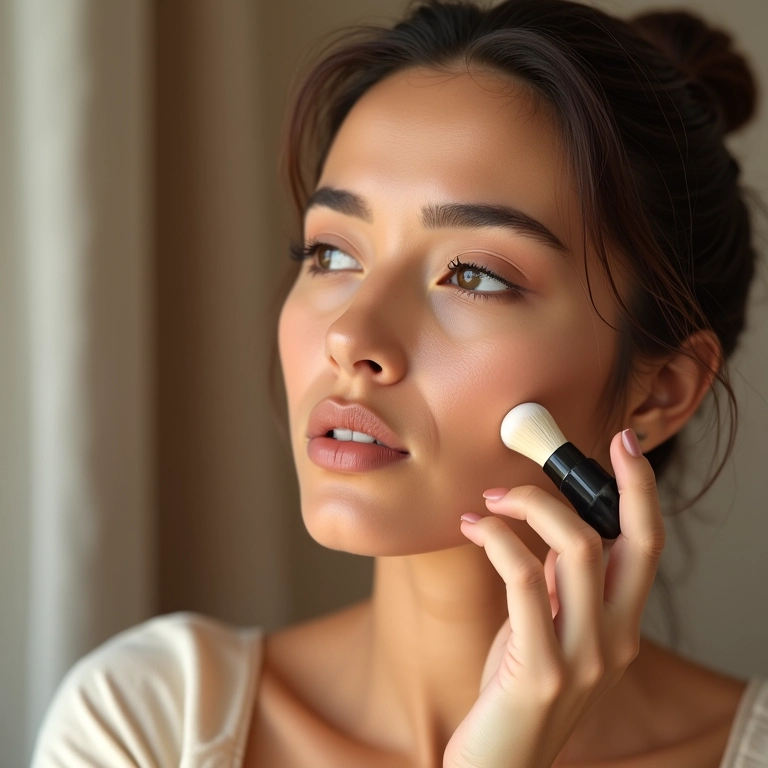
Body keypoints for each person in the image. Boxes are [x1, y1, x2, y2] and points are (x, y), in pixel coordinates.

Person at [31, 0, 766, 766]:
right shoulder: (146, 722)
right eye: (332, 255)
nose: (351, 335)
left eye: (473, 274)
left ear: (662, 392)